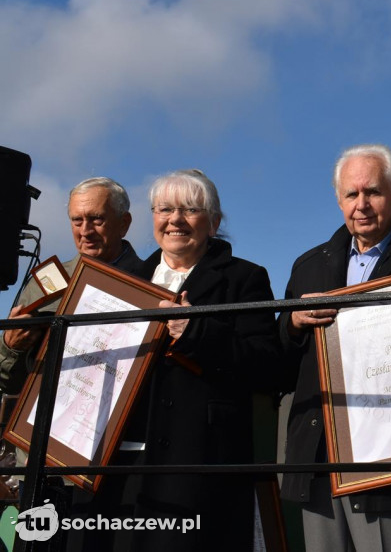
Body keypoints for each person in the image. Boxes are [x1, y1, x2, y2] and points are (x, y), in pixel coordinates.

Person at [90, 169, 281, 551]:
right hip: (123, 461)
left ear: (214, 222)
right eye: (164, 209)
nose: (174, 220)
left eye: (190, 209)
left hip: (200, 462)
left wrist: (194, 332)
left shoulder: (244, 278)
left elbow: (266, 364)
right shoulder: (126, 280)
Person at [280, 144, 391, 552]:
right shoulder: (308, 266)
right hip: (321, 459)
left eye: (373, 192)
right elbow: (281, 366)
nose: (361, 204)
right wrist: (290, 324)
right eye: (351, 194)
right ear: (338, 199)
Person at [1, 177, 145, 395]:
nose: (85, 231)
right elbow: (8, 384)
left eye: (97, 220)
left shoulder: (151, 283)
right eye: (77, 221)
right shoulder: (43, 283)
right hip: (44, 421)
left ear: (124, 223)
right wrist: (10, 347)